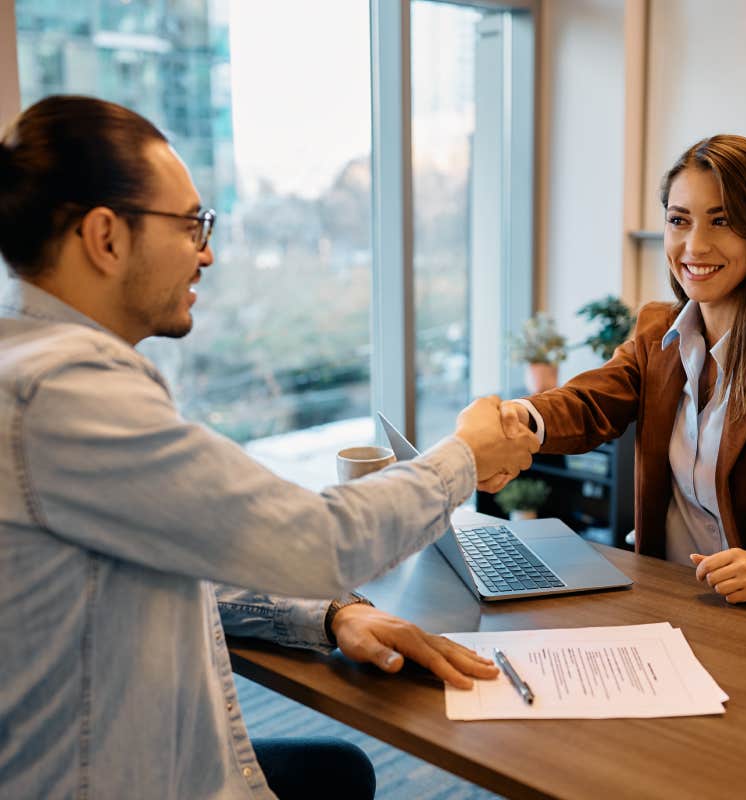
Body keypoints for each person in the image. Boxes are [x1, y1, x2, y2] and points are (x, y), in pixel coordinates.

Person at [0, 96, 539, 800]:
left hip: (153, 753)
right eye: (192, 223)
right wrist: (463, 453)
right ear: (105, 236)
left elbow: (184, 543)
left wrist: (332, 613)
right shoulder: (65, 394)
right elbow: (321, 539)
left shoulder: (29, 363)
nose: (208, 251)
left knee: (339, 771)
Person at [499, 134, 746, 605]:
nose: (694, 246)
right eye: (679, 220)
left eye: (722, 221)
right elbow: (590, 402)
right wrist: (514, 420)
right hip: (668, 603)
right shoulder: (659, 331)